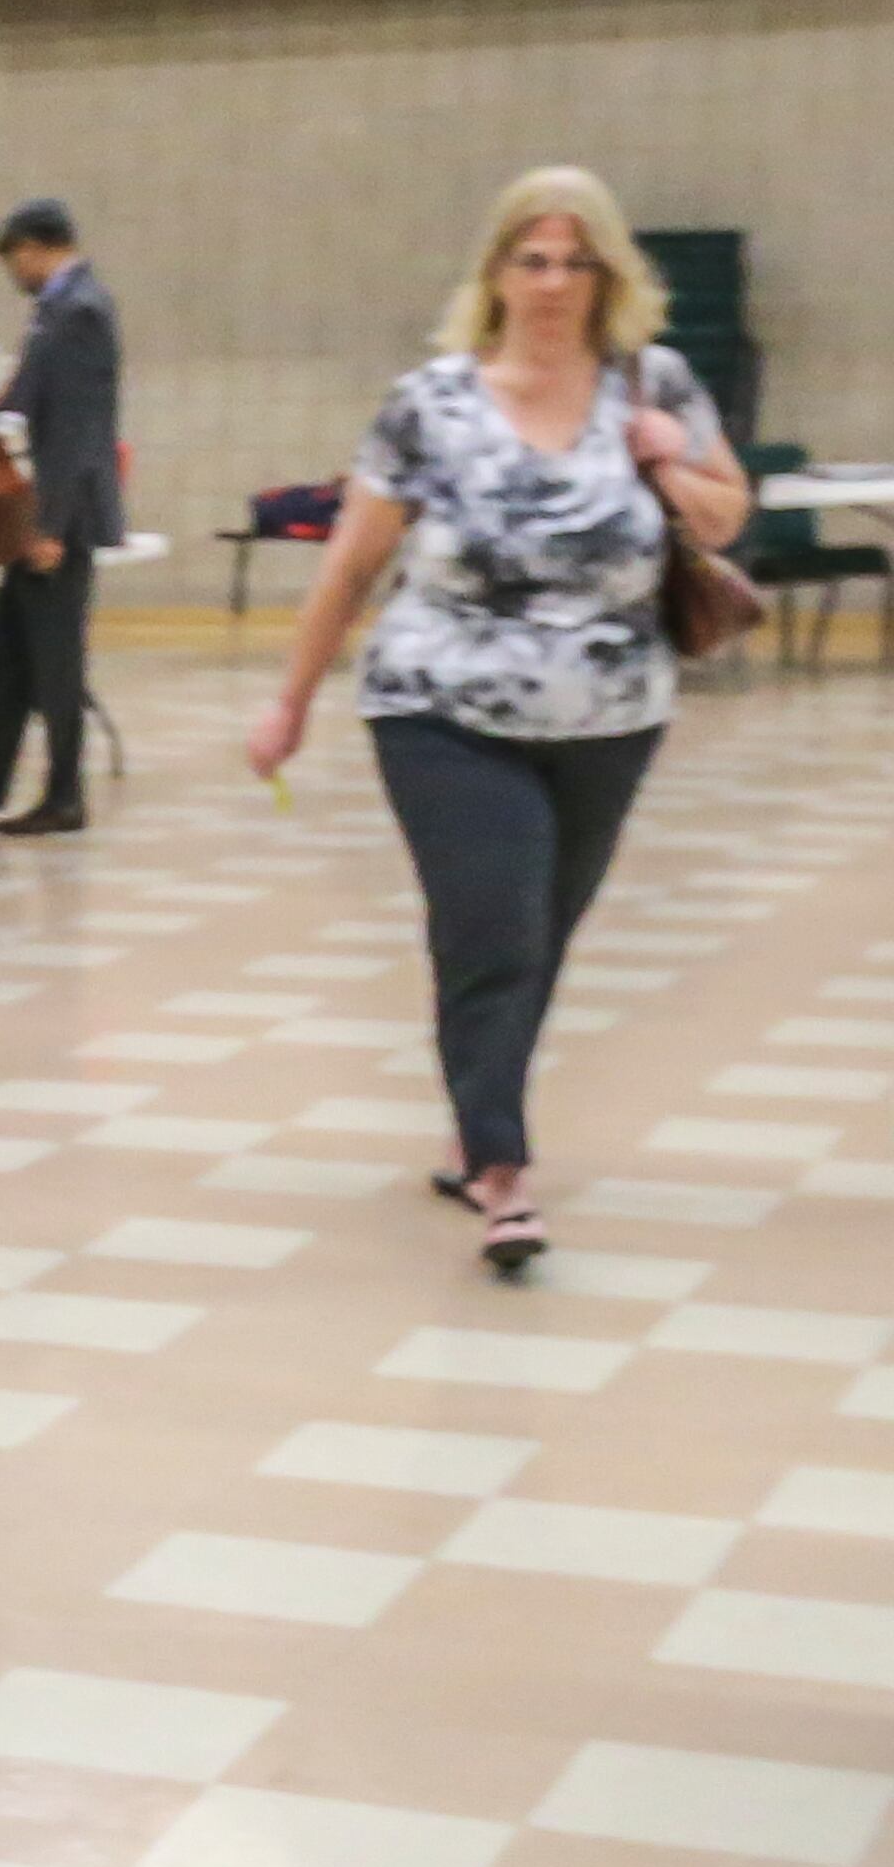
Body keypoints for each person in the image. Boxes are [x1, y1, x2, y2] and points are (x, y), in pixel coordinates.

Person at [247, 166, 748, 1277]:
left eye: (577, 262)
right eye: (534, 260)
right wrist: (290, 699)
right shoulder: (432, 401)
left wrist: (667, 459)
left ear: (607, 274)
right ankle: (504, 1174)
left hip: (613, 714)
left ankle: (473, 1117)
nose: (556, 283)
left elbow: (727, 510)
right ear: (498, 273)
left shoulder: (652, 380)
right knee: (496, 929)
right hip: (444, 708)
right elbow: (354, 562)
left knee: (540, 936)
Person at [0, 197, 125, 836]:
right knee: (9, 653)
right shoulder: (62, 309)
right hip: (44, 515)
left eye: (13, 260)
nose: (14, 273)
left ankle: (65, 795)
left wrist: (51, 527)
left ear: (34, 248)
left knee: (57, 663)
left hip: (59, 521)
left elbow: (77, 434)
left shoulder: (79, 312)